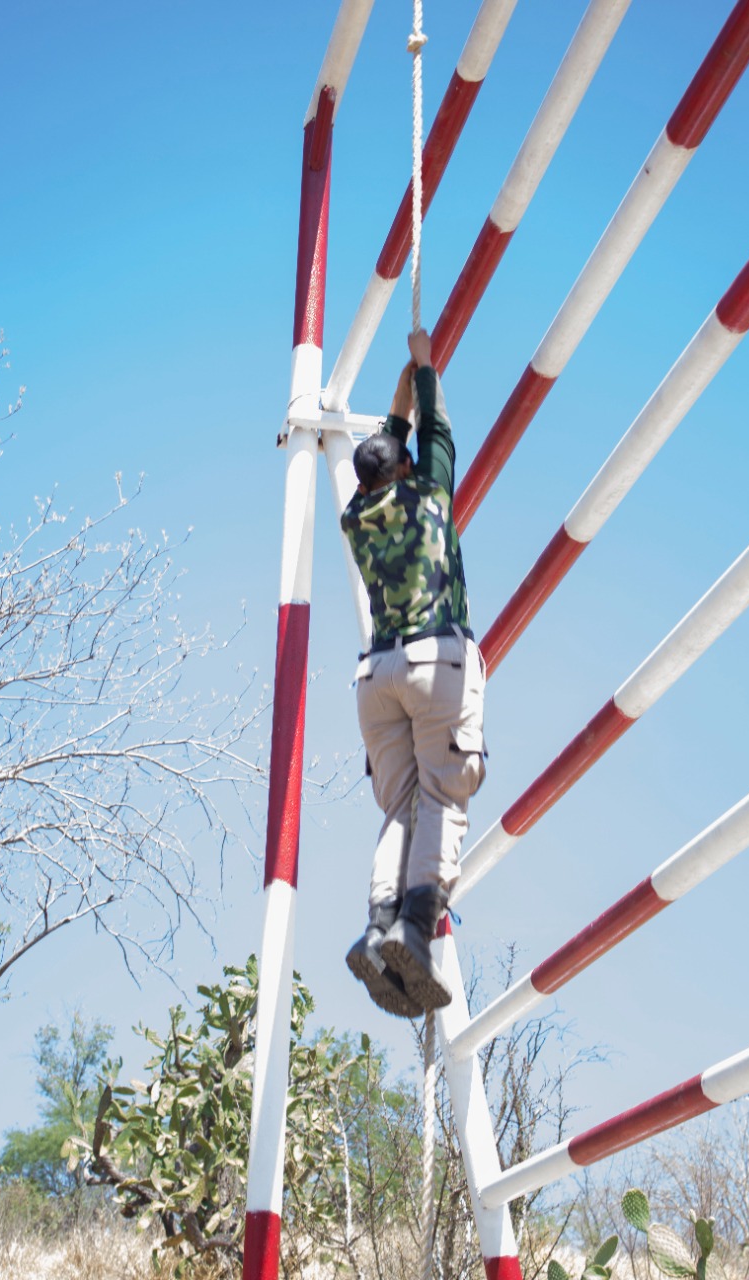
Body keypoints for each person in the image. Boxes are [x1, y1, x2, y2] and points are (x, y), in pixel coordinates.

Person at [341, 329, 487, 1018]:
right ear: (402, 468)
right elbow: (436, 429)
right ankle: (418, 929)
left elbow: (393, 442)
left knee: (402, 808)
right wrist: (425, 369)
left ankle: (378, 929)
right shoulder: (427, 496)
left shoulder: (354, 516)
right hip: (436, 659)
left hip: (376, 676)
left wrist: (401, 393)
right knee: (445, 795)